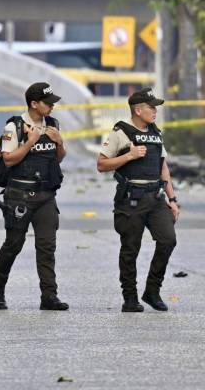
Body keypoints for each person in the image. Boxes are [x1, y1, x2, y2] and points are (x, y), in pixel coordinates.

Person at [97, 88, 179, 312]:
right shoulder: (120, 132)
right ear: (137, 109)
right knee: (130, 249)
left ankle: (152, 291)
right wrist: (129, 156)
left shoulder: (155, 133)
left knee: (168, 240)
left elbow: (163, 167)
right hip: (131, 199)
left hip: (155, 197)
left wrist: (172, 199)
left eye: (155, 107)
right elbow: (102, 164)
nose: (155, 111)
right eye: (151, 107)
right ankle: (130, 297)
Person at [0, 82, 69, 311]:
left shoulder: (53, 124)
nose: (52, 106)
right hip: (19, 196)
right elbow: (9, 160)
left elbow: (58, 158)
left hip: (45, 195)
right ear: (34, 103)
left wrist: (60, 143)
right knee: (14, 244)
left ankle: (49, 296)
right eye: (48, 102)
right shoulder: (13, 126)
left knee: (47, 246)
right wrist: (30, 142)